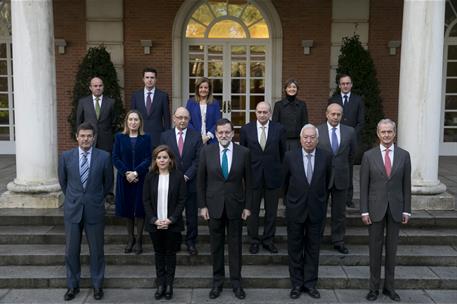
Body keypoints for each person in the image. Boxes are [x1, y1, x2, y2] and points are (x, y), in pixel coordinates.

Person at [58, 122, 113, 301]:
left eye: (89, 136)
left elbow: (108, 183)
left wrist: (95, 198)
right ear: (77, 137)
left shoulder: (104, 157)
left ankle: (97, 286)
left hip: (94, 209)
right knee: (71, 251)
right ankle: (72, 286)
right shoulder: (66, 157)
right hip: (73, 210)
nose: (86, 139)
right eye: (82, 136)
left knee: (97, 251)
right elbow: (64, 183)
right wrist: (75, 198)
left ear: (94, 138)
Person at [197, 118, 252, 300]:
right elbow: (200, 182)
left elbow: (250, 183)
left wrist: (248, 207)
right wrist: (202, 205)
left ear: (232, 132)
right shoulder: (206, 151)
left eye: (227, 132)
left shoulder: (244, 152)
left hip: (236, 207)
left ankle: (237, 283)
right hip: (213, 207)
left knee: (235, 247)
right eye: (220, 132)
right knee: (216, 248)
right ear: (216, 133)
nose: (223, 135)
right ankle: (217, 283)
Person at [360, 119, 411, 302]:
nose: (386, 135)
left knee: (392, 250)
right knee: (375, 249)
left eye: (390, 132)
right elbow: (364, 186)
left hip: (396, 209)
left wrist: (407, 210)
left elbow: (407, 185)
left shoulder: (404, 156)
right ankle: (373, 288)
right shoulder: (368, 156)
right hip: (375, 209)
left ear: (395, 133)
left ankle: (389, 287)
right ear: (378, 133)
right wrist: (364, 211)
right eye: (383, 132)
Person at [283, 124, 332, 300]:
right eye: (306, 137)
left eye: (312, 137)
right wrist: (290, 203)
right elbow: (285, 183)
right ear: (300, 139)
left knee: (313, 249)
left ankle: (310, 284)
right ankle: (296, 284)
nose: (309, 140)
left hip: (316, 210)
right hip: (295, 210)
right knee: (295, 248)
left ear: (317, 139)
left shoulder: (326, 157)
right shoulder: (290, 156)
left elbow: (327, 183)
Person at [240, 101, 286, 254]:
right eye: (259, 112)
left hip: (272, 176)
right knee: (252, 211)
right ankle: (253, 240)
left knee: (271, 211)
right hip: (252, 177)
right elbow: (243, 154)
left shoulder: (279, 129)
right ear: (255, 113)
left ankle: (268, 240)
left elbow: (282, 153)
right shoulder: (247, 129)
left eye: (265, 112)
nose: (262, 114)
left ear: (270, 113)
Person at [143, 145, 186, 301]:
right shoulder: (150, 176)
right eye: (159, 157)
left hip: (172, 224)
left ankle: (169, 285)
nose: (162, 160)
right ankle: (160, 284)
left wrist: (171, 219)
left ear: (170, 160)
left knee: (170, 254)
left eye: (165, 157)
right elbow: (146, 200)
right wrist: (154, 220)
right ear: (155, 160)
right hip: (155, 224)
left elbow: (182, 200)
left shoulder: (178, 176)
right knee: (159, 254)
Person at [160, 107, 203, 255]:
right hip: (171, 183)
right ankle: (175, 241)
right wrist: (176, 177)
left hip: (190, 183)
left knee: (191, 215)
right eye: (179, 117)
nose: (182, 120)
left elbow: (198, 160)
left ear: (189, 119)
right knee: (173, 213)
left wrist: (186, 176)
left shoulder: (196, 136)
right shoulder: (165, 136)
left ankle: (191, 242)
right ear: (173, 118)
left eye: (185, 118)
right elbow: (163, 158)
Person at [317, 103, 356, 254]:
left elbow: (352, 155)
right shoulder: (317, 130)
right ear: (327, 114)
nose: (335, 117)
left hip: (341, 176)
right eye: (332, 114)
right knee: (319, 210)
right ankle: (316, 239)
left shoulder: (349, 132)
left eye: (338, 114)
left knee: (339, 212)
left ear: (342, 115)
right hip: (322, 177)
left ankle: (338, 240)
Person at [112, 110, 152, 255]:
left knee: (140, 209)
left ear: (140, 122)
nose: (133, 122)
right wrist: (127, 173)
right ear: (126, 122)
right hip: (124, 179)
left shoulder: (146, 137)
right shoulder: (119, 137)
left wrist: (136, 172)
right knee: (128, 209)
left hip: (141, 178)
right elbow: (115, 157)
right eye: (130, 119)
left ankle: (140, 239)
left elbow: (148, 158)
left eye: (136, 120)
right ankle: (131, 238)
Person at [328, 73, 365, 208]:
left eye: (347, 83)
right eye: (343, 83)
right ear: (339, 85)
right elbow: (330, 118)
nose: (345, 86)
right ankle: (333, 197)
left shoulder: (358, 100)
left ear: (351, 85)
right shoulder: (333, 99)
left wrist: (350, 135)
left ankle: (348, 199)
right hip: (336, 140)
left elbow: (361, 122)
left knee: (348, 168)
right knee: (335, 167)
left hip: (351, 140)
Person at [130, 67, 171, 149]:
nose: (149, 80)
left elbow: (167, 119)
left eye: (152, 77)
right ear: (143, 79)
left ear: (156, 79)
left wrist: (167, 137)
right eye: (147, 77)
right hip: (140, 136)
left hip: (157, 137)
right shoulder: (136, 96)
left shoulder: (163, 96)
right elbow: (132, 117)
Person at [76, 76, 116, 153]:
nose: (98, 88)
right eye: (95, 86)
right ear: (90, 88)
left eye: (100, 86)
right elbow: (79, 122)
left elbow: (114, 122)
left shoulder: (111, 102)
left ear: (103, 87)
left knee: (106, 163)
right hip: (88, 140)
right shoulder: (83, 102)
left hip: (106, 141)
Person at [272, 79, 308, 150]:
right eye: (289, 87)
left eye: (294, 87)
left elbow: (305, 123)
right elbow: (275, 124)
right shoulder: (278, 105)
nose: (292, 89)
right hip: (282, 141)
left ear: (297, 89)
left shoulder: (302, 105)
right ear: (285, 89)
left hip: (298, 141)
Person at [186, 77, 221, 145]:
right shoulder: (191, 102)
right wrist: (198, 136)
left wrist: (208, 136)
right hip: (194, 139)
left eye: (206, 87)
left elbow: (217, 122)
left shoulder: (215, 103)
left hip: (211, 140)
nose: (203, 89)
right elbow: (188, 121)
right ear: (197, 89)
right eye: (201, 87)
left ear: (209, 89)